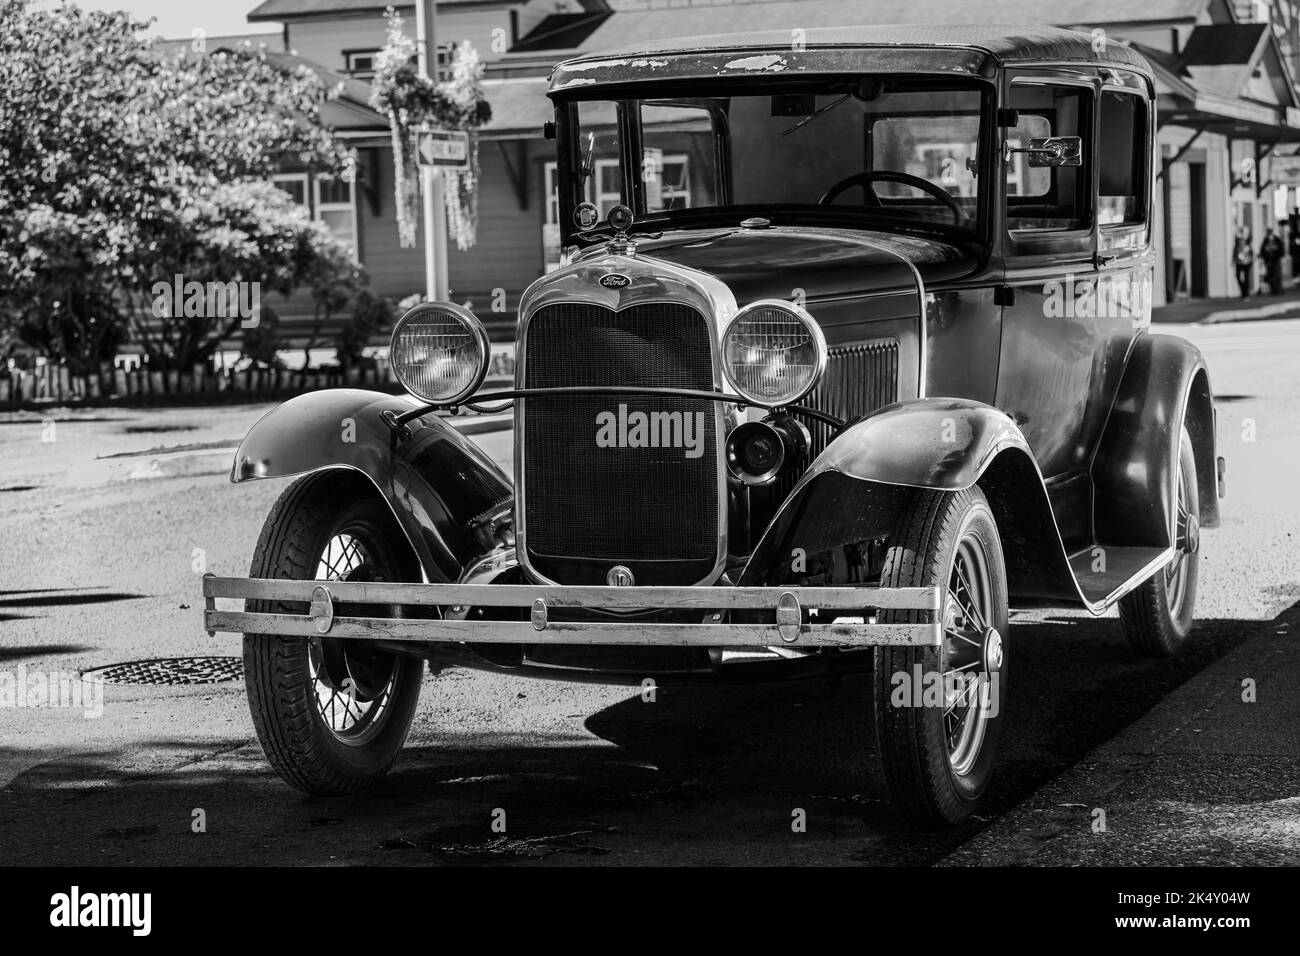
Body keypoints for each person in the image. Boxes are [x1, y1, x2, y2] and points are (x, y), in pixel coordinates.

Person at [1260, 227, 1286, 295]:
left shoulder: (1277, 240)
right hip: (1268, 260)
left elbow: (1281, 250)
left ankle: (1278, 289)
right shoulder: (1265, 240)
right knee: (1270, 275)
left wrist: (1275, 249)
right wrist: (1266, 251)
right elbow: (1262, 250)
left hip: (1276, 260)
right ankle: (1273, 290)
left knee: (1277, 275)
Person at [1234, 230, 1254, 299]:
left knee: (1246, 278)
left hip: (1247, 262)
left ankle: (1246, 294)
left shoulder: (1248, 245)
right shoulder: (1237, 244)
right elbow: (1235, 251)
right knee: (1237, 276)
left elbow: (1251, 254)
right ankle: (1243, 290)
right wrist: (1233, 260)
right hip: (1239, 262)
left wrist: (1250, 261)